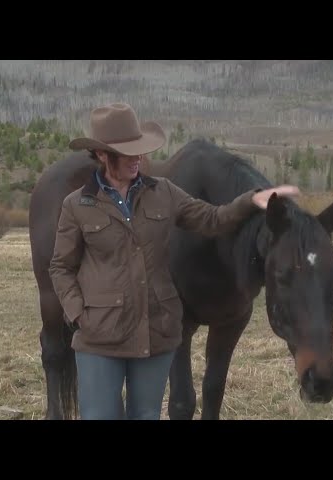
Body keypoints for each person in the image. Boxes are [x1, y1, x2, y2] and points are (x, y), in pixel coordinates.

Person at [48, 102, 301, 420]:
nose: (138, 158)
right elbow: (61, 267)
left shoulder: (164, 193)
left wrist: (251, 199)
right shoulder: (77, 205)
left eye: (139, 150)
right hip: (100, 336)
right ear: (102, 155)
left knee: (146, 414)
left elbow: (212, 219)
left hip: (154, 334)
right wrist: (78, 314)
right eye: (129, 152)